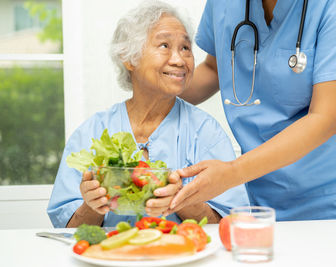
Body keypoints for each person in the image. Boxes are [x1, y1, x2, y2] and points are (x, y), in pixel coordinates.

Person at [161, 0, 336, 220]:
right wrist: (151, 92)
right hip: (260, 195)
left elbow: (325, 118)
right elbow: (214, 69)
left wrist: (231, 173)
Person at [47, 1, 249, 228]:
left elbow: (229, 225)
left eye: (185, 48)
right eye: (164, 45)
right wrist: (92, 205)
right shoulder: (91, 133)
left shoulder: (206, 132)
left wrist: (179, 199)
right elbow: (66, 231)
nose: (179, 60)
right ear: (128, 57)